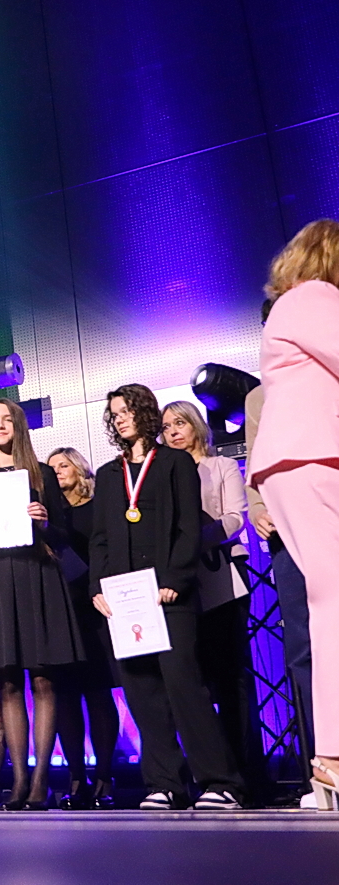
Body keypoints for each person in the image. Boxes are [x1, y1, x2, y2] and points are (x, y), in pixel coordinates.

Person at [89, 383, 243, 810]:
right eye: (114, 414)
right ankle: (165, 783)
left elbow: (189, 527)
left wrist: (176, 577)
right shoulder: (108, 474)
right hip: (124, 598)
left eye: (125, 411)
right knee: (142, 691)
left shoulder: (175, 463)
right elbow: (100, 539)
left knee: (184, 686)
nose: (119, 419)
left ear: (144, 412)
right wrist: (98, 588)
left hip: (168, 593)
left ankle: (220, 781)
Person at [248, 219, 339, 810]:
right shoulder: (313, 297)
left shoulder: (296, 303)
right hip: (312, 457)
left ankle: (330, 759)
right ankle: (332, 755)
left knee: (330, 602)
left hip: (301, 459)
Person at [0, 398, 84, 810]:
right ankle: (20, 780)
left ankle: (42, 779)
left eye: (7, 419)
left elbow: (64, 535)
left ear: (19, 426)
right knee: (8, 683)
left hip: (35, 576)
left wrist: (43, 521)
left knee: (44, 680)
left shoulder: (41, 473)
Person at [162, 399, 265, 795]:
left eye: (180, 423)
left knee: (231, 677)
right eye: (166, 426)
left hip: (220, 575)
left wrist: (192, 541)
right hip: (181, 585)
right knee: (194, 682)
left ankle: (248, 774)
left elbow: (236, 518)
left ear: (196, 425)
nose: (173, 431)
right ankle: (207, 773)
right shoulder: (164, 474)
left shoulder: (220, 465)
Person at [247, 379, 316, 801]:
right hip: (287, 533)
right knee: (302, 650)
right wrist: (258, 508)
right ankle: (324, 767)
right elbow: (257, 465)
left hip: (328, 515)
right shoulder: (260, 397)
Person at [46, 446, 119, 809]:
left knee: (99, 692)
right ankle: (76, 777)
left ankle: (104, 776)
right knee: (65, 696)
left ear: (79, 468)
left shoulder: (98, 506)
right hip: (60, 610)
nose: (58, 471)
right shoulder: (48, 516)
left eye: (64, 465)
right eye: (52, 468)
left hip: (97, 607)